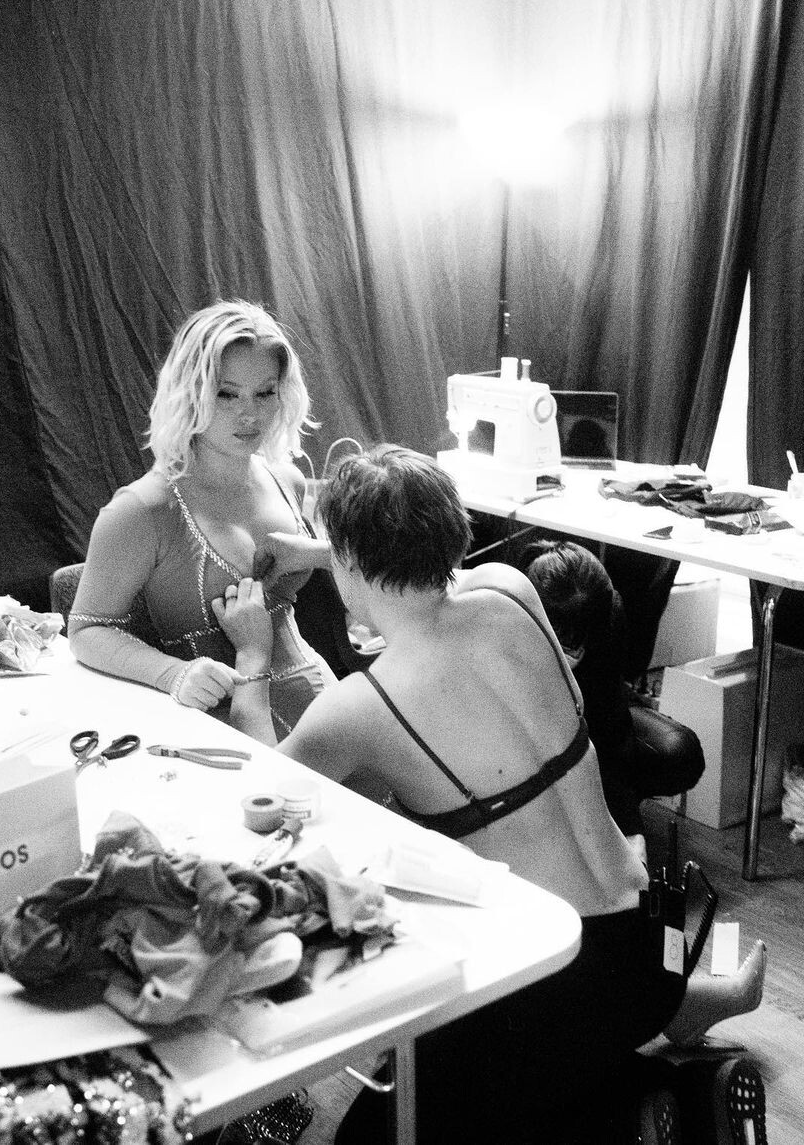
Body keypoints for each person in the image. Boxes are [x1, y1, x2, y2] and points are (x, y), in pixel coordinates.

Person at [216, 445, 767, 1142]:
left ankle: (667, 1103)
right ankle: (648, 1062)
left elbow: (260, 797)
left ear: (350, 564)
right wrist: (319, 551)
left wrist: (252, 658)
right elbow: (417, 568)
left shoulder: (359, 707)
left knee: (376, 1133)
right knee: (550, 1051)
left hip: (560, 973)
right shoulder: (510, 591)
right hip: (654, 933)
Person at [68, 300, 332, 736]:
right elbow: (86, 630)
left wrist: (317, 553)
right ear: (190, 391)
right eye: (226, 394)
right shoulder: (141, 511)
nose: (250, 414)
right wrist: (174, 674)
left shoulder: (288, 480)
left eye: (265, 392)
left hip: (321, 699)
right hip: (223, 724)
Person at [519, 539, 706, 849]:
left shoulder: (607, 613)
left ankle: (607, 815)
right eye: (566, 643)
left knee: (679, 753)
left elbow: (608, 728)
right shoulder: (499, 611)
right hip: (515, 729)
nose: (575, 654)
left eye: (582, 645)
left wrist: (631, 829)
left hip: (589, 710)